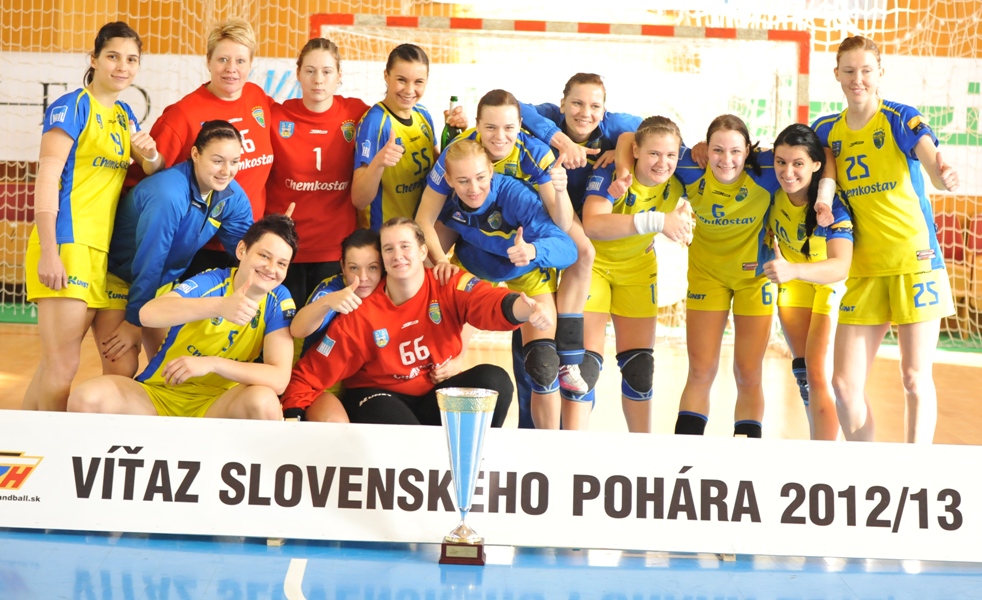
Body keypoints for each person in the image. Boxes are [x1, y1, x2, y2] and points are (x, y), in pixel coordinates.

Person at [812, 36, 959, 443]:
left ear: (880, 73)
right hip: (864, 269)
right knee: (844, 384)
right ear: (837, 74)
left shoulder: (898, 117)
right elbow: (790, 159)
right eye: (849, 70)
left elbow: (933, 165)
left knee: (914, 377)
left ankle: (914, 467)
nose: (857, 79)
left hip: (915, 262)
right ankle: (867, 466)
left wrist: (942, 174)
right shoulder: (825, 130)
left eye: (866, 70)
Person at [281, 217, 553, 426]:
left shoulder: (446, 283)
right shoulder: (360, 311)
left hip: (431, 396)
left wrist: (525, 308)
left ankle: (469, 461)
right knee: (388, 412)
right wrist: (291, 416)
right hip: (378, 397)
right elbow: (310, 373)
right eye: (388, 249)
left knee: (494, 381)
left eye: (405, 246)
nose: (397, 255)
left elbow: (486, 301)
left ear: (423, 251)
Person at [416, 89, 591, 405]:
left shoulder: (533, 153)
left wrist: (560, 191)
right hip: (473, 234)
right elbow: (423, 219)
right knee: (422, 257)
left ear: (520, 126)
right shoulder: (458, 154)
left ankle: (568, 355)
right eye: (490, 128)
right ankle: (430, 342)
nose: (499, 137)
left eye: (509, 128)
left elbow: (562, 224)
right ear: (477, 126)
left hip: (523, 233)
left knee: (584, 251)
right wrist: (440, 261)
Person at [23, 21, 162, 411]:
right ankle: (45, 447)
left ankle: (19, 440)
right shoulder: (72, 106)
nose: (122, 66)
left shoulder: (124, 115)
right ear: (94, 59)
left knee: (101, 363)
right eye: (113, 56)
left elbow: (152, 167)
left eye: (131, 59)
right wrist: (50, 251)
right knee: (62, 367)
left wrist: (150, 153)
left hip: (106, 255)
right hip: (68, 244)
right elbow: (47, 179)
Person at [66, 215, 298, 419]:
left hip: (218, 403)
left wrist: (213, 364)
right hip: (159, 394)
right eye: (264, 256)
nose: (271, 268)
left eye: (282, 263)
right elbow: (148, 314)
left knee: (265, 401)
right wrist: (220, 306)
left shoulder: (278, 300)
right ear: (242, 250)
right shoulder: (213, 282)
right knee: (86, 399)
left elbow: (279, 379)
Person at [512, 74, 644, 427]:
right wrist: (559, 140)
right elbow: (511, 105)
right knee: (537, 360)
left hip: (583, 254)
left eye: (594, 105)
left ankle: (572, 441)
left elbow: (655, 134)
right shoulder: (546, 117)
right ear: (562, 104)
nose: (585, 112)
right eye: (577, 103)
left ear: (605, 109)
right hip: (538, 242)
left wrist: (623, 153)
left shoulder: (615, 127)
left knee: (578, 360)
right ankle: (530, 437)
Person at [434, 140, 578, 429]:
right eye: (463, 181)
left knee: (543, 364)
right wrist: (439, 262)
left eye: (480, 178)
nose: (473, 188)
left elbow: (568, 248)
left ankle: (550, 445)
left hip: (524, 270)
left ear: (491, 171)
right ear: (448, 180)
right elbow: (424, 237)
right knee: (444, 363)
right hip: (475, 268)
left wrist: (533, 251)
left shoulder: (516, 196)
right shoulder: (445, 201)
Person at [126, 18, 274, 276]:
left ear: (251, 63)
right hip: (200, 249)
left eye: (240, 61)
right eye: (222, 59)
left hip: (250, 244)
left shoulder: (257, 99)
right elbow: (153, 177)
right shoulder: (182, 115)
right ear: (208, 61)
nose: (231, 69)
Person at [105, 120, 254, 361]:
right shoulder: (168, 195)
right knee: (122, 364)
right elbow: (150, 262)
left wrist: (274, 236)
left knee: (168, 364)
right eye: (217, 161)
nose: (226, 171)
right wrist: (134, 321)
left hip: (161, 283)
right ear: (195, 154)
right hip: (118, 278)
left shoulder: (231, 195)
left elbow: (247, 249)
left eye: (234, 161)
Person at [672, 115, 781, 438]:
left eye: (735, 151)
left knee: (748, 373)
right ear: (706, 149)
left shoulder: (768, 168)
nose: (726, 159)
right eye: (717, 150)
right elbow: (637, 141)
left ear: (748, 150)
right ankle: (686, 455)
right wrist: (618, 156)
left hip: (755, 279)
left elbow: (815, 155)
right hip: (707, 276)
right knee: (700, 370)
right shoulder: (690, 166)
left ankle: (745, 453)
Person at [581, 116, 691, 433]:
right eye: (653, 153)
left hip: (638, 268)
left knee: (639, 368)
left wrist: (687, 220)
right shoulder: (612, 172)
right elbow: (592, 224)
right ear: (637, 151)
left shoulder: (678, 177)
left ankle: (643, 446)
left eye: (670, 155)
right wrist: (658, 221)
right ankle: (573, 443)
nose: (662, 162)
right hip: (594, 267)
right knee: (584, 366)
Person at [759, 124, 854, 441]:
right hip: (794, 284)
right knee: (804, 373)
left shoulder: (832, 208)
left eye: (798, 163)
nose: (787, 172)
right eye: (781, 162)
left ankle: (825, 457)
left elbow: (840, 266)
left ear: (815, 165)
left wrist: (795, 270)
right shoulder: (772, 188)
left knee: (817, 371)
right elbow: (732, 155)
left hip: (827, 285)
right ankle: (818, 441)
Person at [266, 38, 370, 307]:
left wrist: (453, 125)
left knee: (326, 329)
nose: (318, 80)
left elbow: (397, 118)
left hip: (335, 250)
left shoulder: (357, 113)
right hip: (284, 248)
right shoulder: (275, 116)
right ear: (298, 73)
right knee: (284, 327)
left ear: (339, 75)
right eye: (310, 71)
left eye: (326, 71)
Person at [351, 44, 436, 231]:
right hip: (385, 236)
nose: (409, 90)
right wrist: (378, 162)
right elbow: (359, 200)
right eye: (401, 80)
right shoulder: (375, 122)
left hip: (417, 233)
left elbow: (439, 171)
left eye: (418, 82)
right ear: (386, 76)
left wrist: (456, 134)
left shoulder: (423, 115)